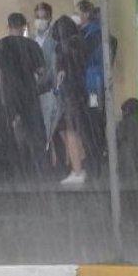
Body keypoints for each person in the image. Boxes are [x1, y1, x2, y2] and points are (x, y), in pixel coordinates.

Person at [0, 13, 47, 180]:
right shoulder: (32, 45)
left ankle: (13, 170)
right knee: (34, 132)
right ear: (24, 26)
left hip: (7, 95)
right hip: (29, 93)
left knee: (8, 131)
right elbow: (41, 72)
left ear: (8, 26)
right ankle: (36, 170)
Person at [53, 15, 90, 185]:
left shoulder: (64, 47)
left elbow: (61, 70)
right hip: (79, 92)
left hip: (70, 94)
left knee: (69, 131)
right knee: (69, 130)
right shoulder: (81, 43)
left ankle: (77, 169)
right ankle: (79, 164)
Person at [76, 0, 107, 176]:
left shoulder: (93, 34)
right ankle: (94, 155)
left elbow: (85, 54)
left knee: (93, 120)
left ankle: (95, 156)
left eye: (79, 13)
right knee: (90, 120)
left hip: (93, 83)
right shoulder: (87, 32)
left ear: (87, 14)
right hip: (89, 82)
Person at [31, 3, 59, 144]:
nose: (40, 21)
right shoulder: (31, 39)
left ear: (50, 18)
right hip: (35, 91)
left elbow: (54, 66)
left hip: (50, 89)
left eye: (43, 17)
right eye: (37, 17)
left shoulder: (55, 39)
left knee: (52, 127)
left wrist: (44, 79)